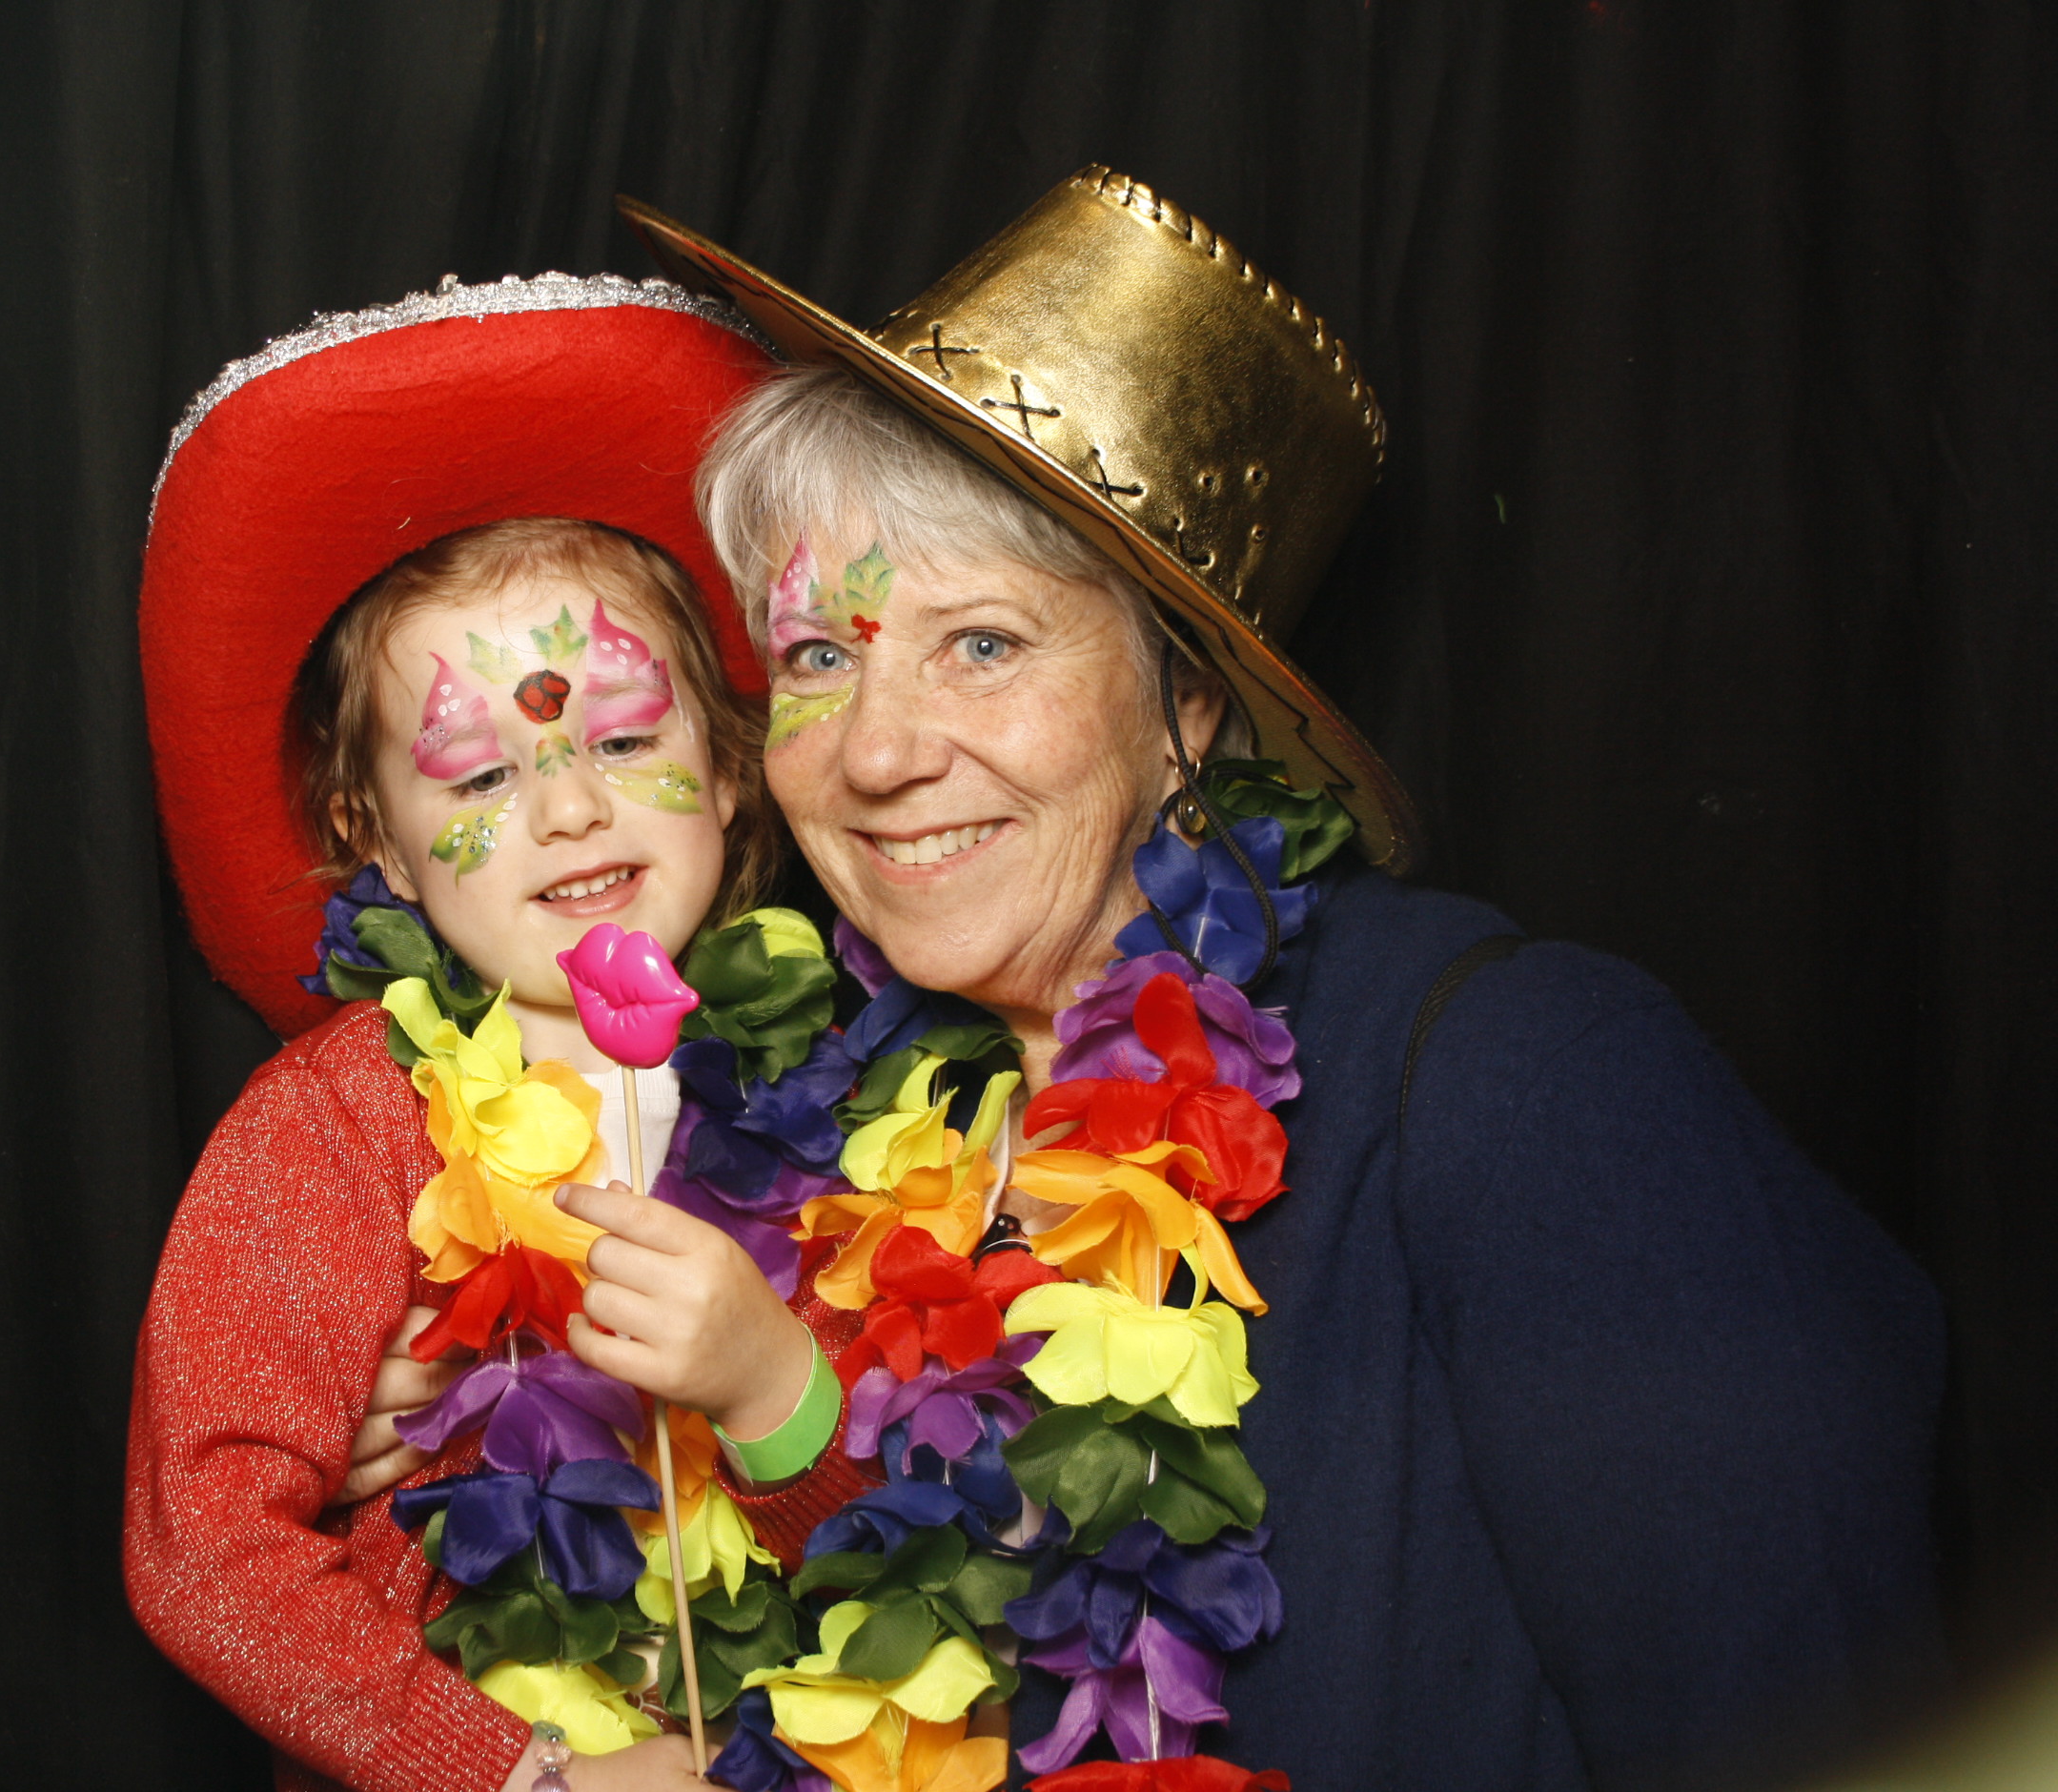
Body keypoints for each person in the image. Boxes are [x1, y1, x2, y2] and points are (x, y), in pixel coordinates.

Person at [612, 169, 1948, 1792]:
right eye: (821, 656)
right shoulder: (827, 1146)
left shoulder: (1525, 1076)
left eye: (984, 645)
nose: (879, 754)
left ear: (1184, 700)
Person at [125, 279, 855, 1792]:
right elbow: (206, 1548)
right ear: (373, 839)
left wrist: (772, 1387)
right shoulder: (334, 1129)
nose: (571, 808)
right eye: (478, 776)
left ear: (730, 766)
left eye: (624, 737)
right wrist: (523, 1779)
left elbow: (944, 1540)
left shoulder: (855, 1097)